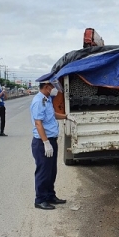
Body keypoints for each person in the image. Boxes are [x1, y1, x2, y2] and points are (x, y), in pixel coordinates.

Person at [30, 72, 76, 210]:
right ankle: (40, 199)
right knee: (43, 171)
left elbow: (52, 115)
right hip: (42, 142)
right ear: (46, 86)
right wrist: (46, 143)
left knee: (51, 171)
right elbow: (38, 123)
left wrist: (66, 116)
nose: (54, 88)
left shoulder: (47, 99)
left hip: (51, 140)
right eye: (52, 86)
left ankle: (50, 195)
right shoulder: (38, 101)